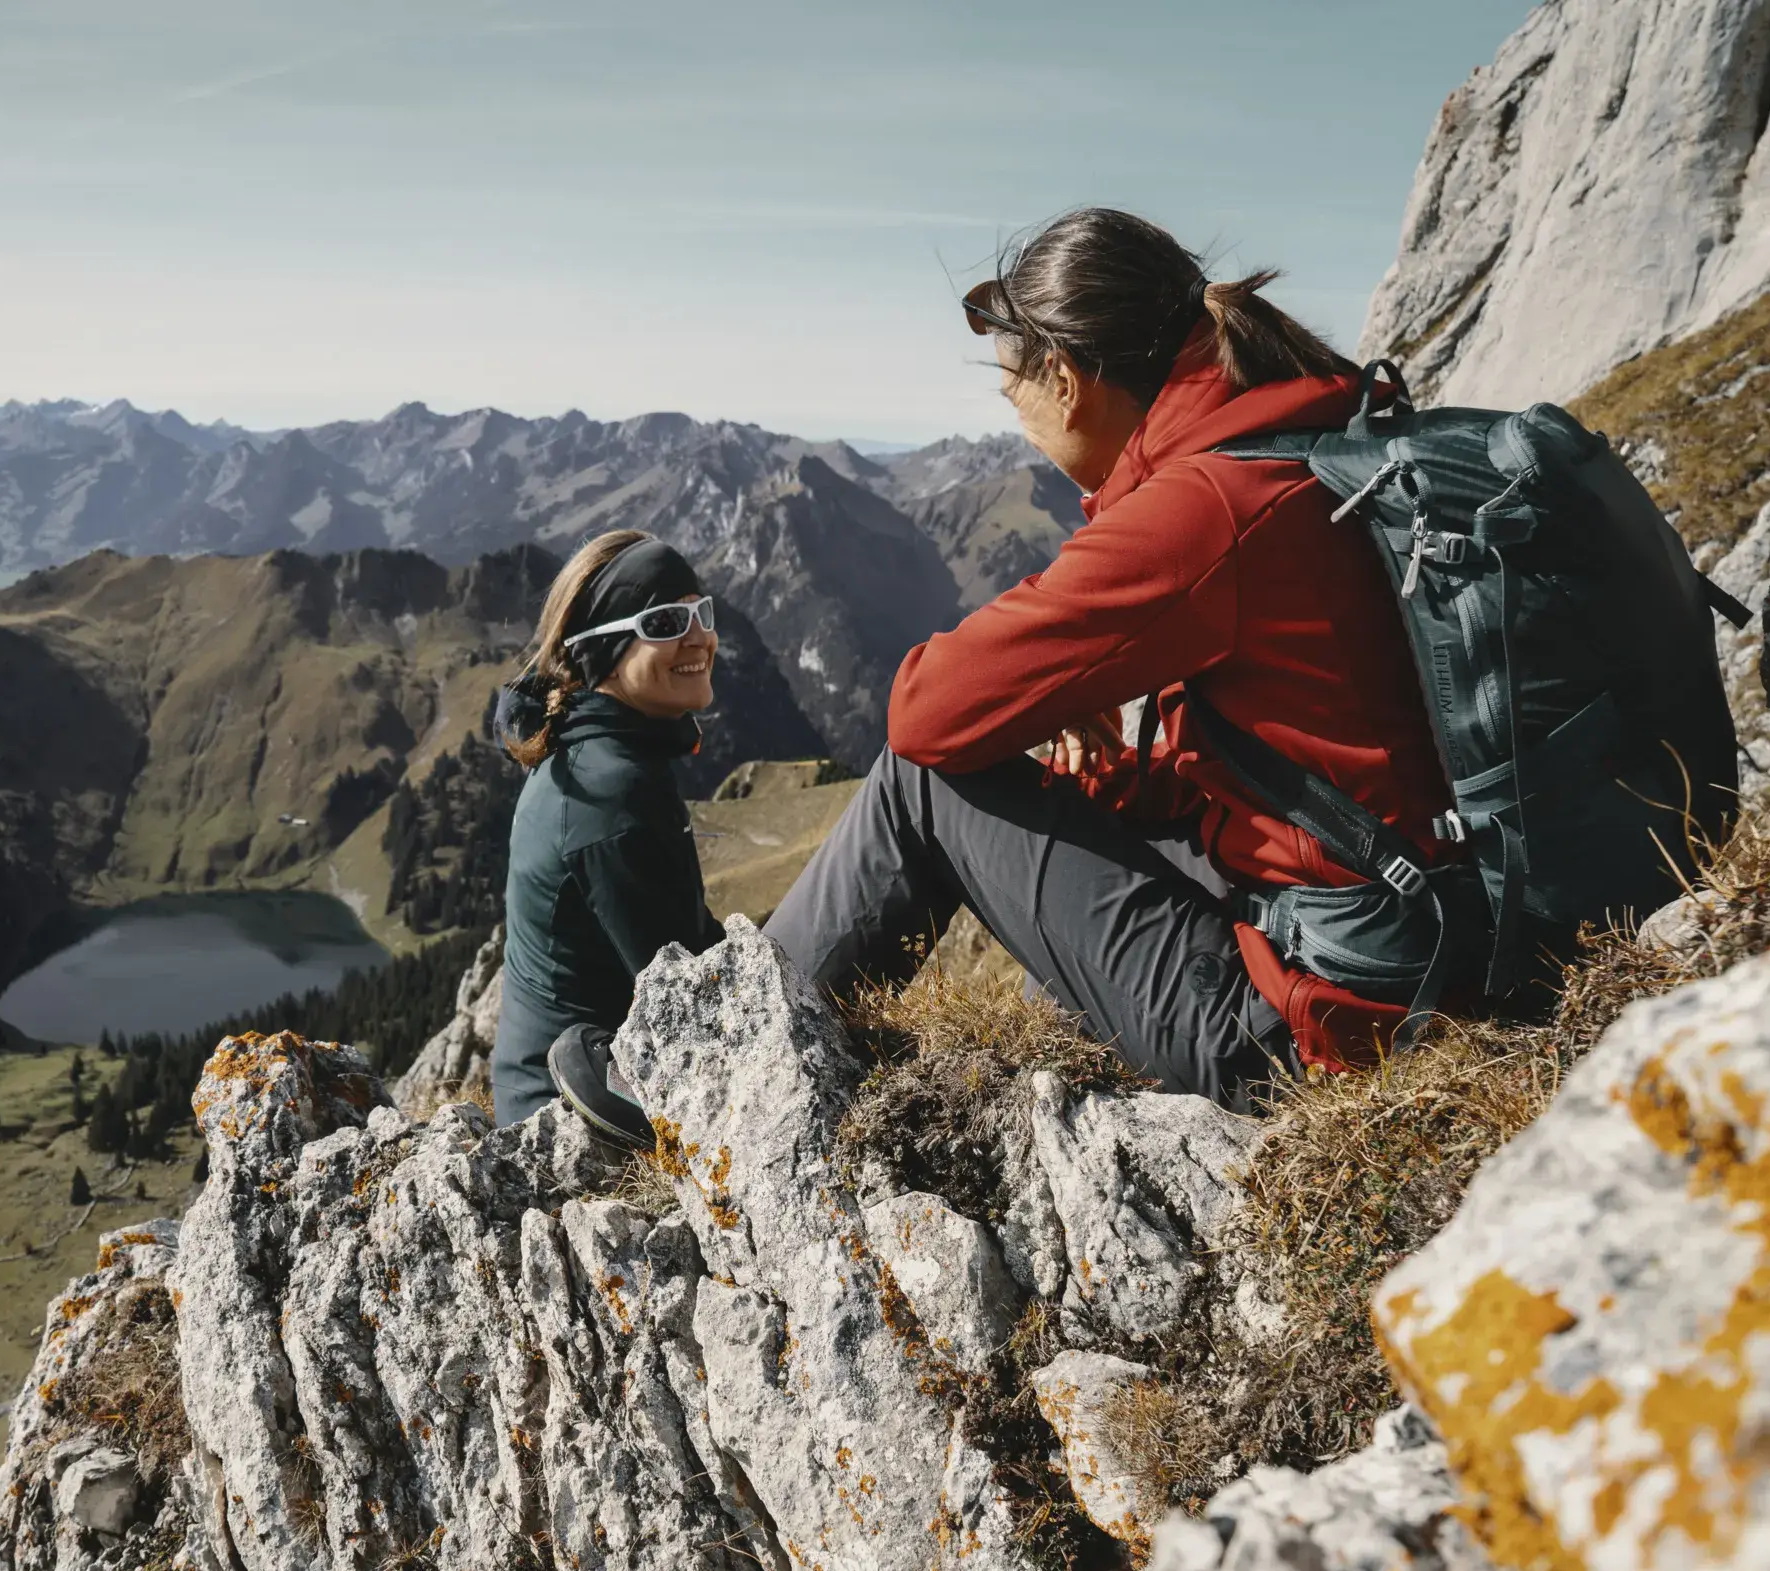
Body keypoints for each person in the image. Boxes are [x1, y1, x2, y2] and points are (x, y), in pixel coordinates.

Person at [750, 207, 1470, 1112]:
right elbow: (1308, 756)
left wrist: (1048, 697)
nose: (1023, 433)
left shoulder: (1206, 506)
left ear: (1063, 377)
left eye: (1016, 399)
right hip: (1432, 945)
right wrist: (1110, 782)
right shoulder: (1312, 437)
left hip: (1319, 1030)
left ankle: (740, 1057)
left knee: (918, 777)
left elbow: (924, 710)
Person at [489, 530, 725, 1139]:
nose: (700, 635)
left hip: (553, 1088)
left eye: (703, 611)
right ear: (604, 652)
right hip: (577, 1117)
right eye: (668, 620)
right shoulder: (613, 792)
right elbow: (688, 999)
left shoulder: (592, 756)